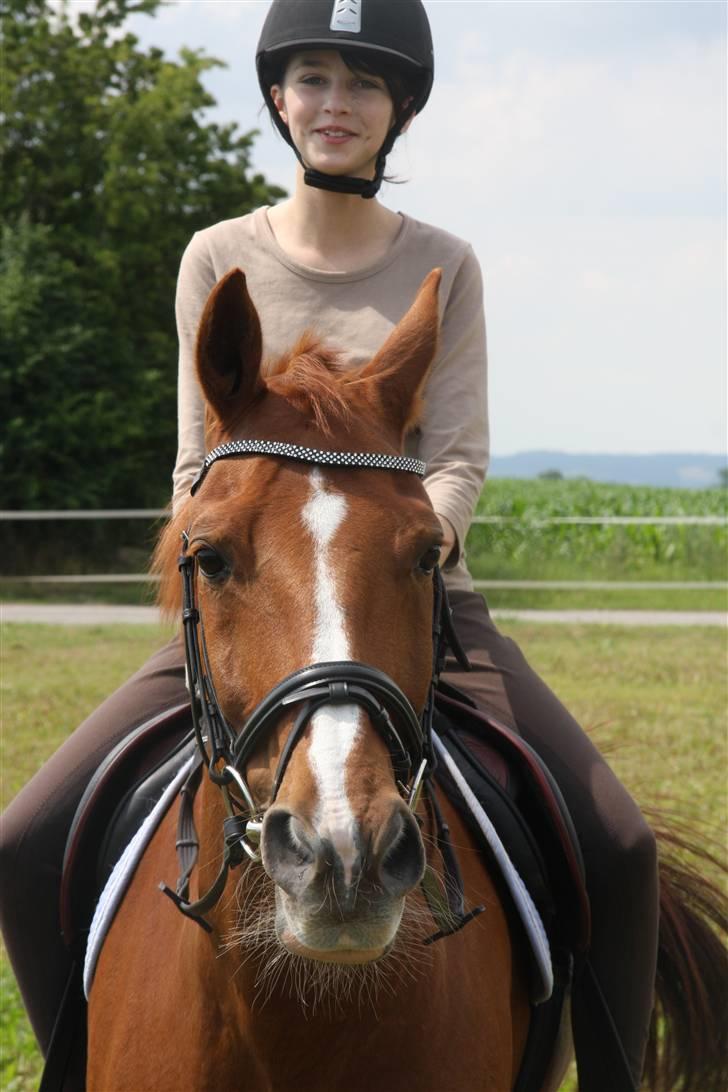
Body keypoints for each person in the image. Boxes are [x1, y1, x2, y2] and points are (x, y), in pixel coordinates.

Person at [0, 2, 658, 1089]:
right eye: (313, 78)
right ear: (276, 97)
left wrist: (404, 541)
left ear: (399, 107)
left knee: (618, 846)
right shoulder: (216, 258)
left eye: (363, 84)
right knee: (25, 840)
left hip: (410, 597)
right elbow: (191, 467)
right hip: (248, 595)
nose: (335, 103)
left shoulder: (446, 264)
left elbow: (452, 458)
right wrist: (233, 553)